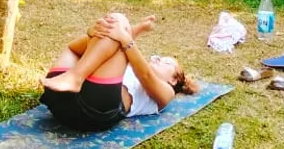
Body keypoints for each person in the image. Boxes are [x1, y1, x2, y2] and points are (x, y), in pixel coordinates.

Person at [40, 12, 199, 132]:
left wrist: (131, 33)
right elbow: (116, 40)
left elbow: (145, 75)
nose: (158, 60)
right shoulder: (126, 65)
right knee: (115, 24)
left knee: (119, 22)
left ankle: (75, 77)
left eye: (167, 62)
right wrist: (92, 33)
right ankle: (74, 77)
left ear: (173, 80)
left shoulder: (167, 94)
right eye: (158, 57)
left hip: (92, 112)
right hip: (59, 100)